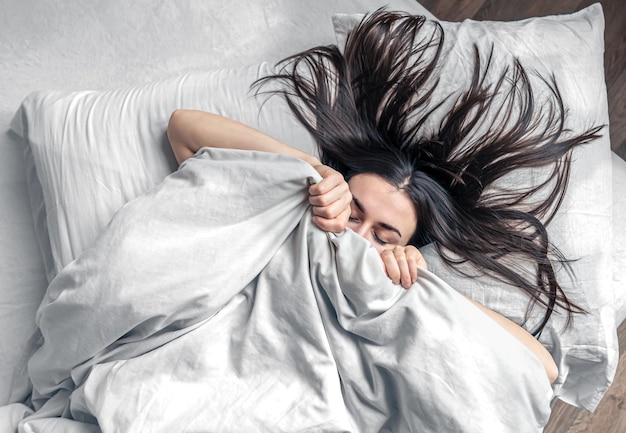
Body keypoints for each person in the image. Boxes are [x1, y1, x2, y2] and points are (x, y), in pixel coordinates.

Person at [167, 10, 602, 384]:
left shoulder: (399, 286)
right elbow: (185, 128)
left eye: (384, 235)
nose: (358, 238)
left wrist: (425, 286)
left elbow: (540, 367)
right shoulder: (293, 209)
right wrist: (312, 171)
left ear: (405, 248)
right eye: (355, 214)